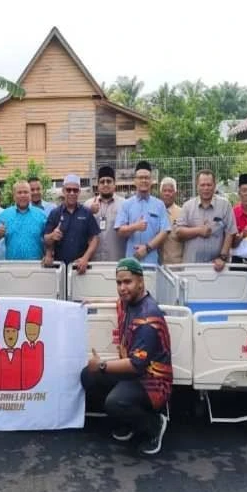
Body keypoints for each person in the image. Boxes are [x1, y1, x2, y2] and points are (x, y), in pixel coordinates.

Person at [80, 258, 171, 456]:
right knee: (87, 376)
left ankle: (154, 424)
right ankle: (129, 420)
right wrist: (94, 302)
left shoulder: (148, 317)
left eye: (127, 282)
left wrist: (102, 365)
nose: (122, 288)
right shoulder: (130, 301)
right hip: (134, 373)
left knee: (114, 402)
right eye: (119, 283)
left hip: (152, 381)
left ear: (141, 282)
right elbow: (118, 302)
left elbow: (136, 366)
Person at [175, 169, 237, 270]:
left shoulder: (225, 205)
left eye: (209, 185)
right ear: (197, 186)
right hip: (192, 266)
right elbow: (179, 232)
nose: (206, 188)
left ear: (214, 186)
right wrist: (198, 231)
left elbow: (230, 232)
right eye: (202, 185)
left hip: (217, 267)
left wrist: (222, 257)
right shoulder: (188, 206)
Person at [115, 161, 171, 264]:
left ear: (151, 181)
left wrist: (147, 248)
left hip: (152, 261)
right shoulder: (126, 204)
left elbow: (165, 231)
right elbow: (119, 231)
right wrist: (135, 227)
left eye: (147, 178)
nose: (144, 180)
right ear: (135, 181)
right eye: (140, 178)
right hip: (131, 261)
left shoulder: (159, 205)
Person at [43, 173, 100, 272]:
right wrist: (52, 236)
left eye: (75, 190)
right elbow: (46, 239)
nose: (72, 193)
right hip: (60, 269)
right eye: (68, 190)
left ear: (79, 192)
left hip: (80, 268)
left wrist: (85, 258)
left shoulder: (86, 213)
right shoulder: (55, 213)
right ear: (63, 191)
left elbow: (95, 238)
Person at [0, 180, 47, 261]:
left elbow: (48, 238)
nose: (23, 195)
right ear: (14, 196)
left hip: (36, 265)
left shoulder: (41, 215)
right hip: (12, 266)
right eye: (19, 192)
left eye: (26, 192)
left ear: (30, 195)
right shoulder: (5, 215)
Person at [86, 165, 126, 262]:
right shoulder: (88, 204)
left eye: (109, 181)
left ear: (114, 184)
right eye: (102, 181)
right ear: (98, 185)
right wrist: (89, 212)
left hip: (117, 260)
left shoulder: (124, 205)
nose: (105, 184)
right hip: (93, 261)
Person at [159, 177, 183, 265]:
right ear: (160, 193)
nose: (167, 193)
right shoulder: (154, 211)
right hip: (156, 265)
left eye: (170, 191)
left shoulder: (182, 213)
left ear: (175, 193)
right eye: (164, 191)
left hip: (175, 265)